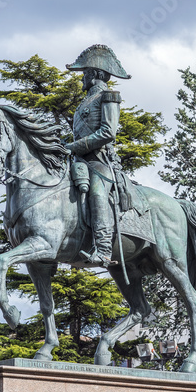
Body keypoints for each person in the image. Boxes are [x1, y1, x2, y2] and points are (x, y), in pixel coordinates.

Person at [64, 44, 131, 266]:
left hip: (100, 161)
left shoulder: (109, 96)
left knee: (97, 193)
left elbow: (108, 132)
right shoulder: (85, 101)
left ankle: (103, 249)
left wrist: (74, 147)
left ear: (94, 74)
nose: (82, 78)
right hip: (80, 161)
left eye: (85, 73)